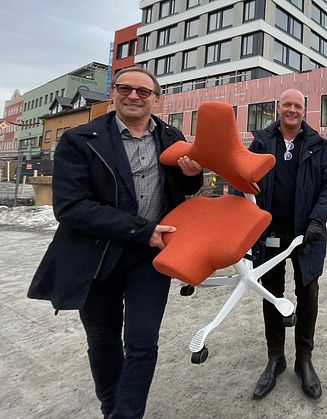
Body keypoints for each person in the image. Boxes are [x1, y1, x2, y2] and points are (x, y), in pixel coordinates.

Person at [28, 66, 203, 418]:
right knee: (103, 340)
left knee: (141, 343)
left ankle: (127, 414)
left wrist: (192, 177)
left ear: (157, 99)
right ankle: (112, 407)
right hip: (96, 256)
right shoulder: (81, 139)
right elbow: (71, 207)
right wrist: (141, 230)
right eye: (125, 88)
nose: (133, 96)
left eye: (143, 91)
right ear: (114, 94)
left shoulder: (172, 138)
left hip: (150, 258)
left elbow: (181, 192)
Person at [248, 88, 327, 400]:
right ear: (278, 108)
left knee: (308, 294)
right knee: (271, 295)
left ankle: (304, 360)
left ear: (304, 111)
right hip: (269, 234)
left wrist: (317, 220)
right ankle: (276, 358)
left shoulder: (317, 144)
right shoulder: (262, 141)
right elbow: (244, 180)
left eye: (297, 106)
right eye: (286, 105)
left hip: (307, 236)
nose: (292, 110)